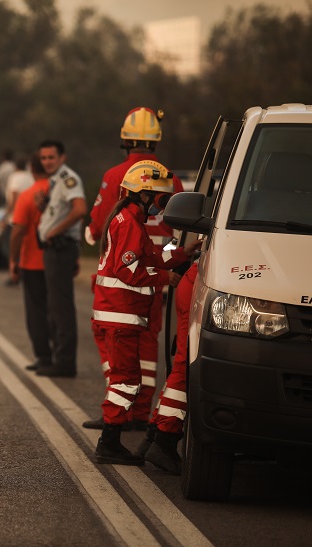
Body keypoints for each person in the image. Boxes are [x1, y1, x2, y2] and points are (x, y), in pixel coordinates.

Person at [82, 107, 186, 430]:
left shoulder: (116, 177)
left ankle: (117, 412)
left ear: (125, 141)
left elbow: (96, 230)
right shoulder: (172, 179)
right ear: (156, 142)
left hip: (124, 280)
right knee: (147, 345)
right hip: (155, 281)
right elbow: (179, 231)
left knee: (117, 345)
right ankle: (140, 412)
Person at [92, 160, 200, 465]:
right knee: (125, 381)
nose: (161, 206)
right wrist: (167, 279)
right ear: (144, 195)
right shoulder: (128, 223)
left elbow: (153, 254)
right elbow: (128, 271)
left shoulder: (131, 221)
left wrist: (184, 253)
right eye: (161, 199)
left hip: (117, 314)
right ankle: (109, 443)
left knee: (128, 378)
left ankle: (110, 440)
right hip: (120, 315)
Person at [137, 260, 198, 474]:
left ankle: (155, 434)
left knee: (181, 366)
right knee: (184, 367)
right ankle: (165, 440)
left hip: (195, 280)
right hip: (199, 283)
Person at [35, 140, 88, 378]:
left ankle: (65, 363)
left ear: (62, 157)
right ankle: (60, 359)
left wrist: (55, 231)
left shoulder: (68, 179)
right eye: (43, 158)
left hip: (60, 248)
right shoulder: (55, 180)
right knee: (55, 307)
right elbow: (60, 211)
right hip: (56, 250)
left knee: (61, 308)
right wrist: (43, 207)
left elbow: (79, 209)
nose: (47, 162)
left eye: (51, 157)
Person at [8, 153, 51, 370]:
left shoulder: (27, 195)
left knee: (36, 312)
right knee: (57, 311)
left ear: (32, 170)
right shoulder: (60, 191)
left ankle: (44, 357)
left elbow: (17, 231)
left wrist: (13, 260)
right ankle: (60, 355)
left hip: (32, 262)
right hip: (56, 262)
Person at [2, 155, 35, 286]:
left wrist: (8, 214)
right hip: (29, 217)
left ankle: (14, 273)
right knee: (24, 247)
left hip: (15, 217)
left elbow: (14, 196)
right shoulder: (30, 177)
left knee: (10, 247)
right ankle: (23, 272)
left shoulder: (15, 177)